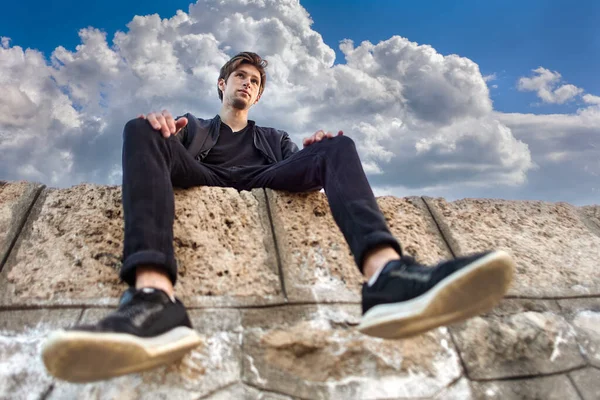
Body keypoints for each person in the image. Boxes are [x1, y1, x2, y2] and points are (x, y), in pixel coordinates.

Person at [41, 52, 515, 383]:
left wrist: (318, 149)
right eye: (240, 76)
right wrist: (160, 129)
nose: (247, 83)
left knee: (339, 145)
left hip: (265, 178)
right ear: (221, 84)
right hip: (204, 174)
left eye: (255, 81)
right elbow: (161, 155)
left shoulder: (274, 138)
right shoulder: (195, 127)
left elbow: (296, 167)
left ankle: (386, 274)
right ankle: (152, 298)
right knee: (139, 127)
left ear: (259, 95)